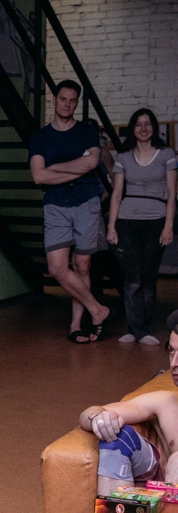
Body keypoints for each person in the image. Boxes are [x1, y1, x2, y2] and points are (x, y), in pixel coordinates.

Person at [29, 80, 114, 343]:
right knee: (57, 268)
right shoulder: (41, 137)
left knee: (82, 265)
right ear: (55, 100)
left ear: (77, 103)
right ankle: (98, 310)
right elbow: (38, 176)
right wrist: (77, 168)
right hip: (55, 204)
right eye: (63, 99)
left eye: (72, 100)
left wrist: (55, 169)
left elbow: (92, 163)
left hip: (86, 201)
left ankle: (76, 325)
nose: (67, 104)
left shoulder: (87, 132)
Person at [80, 310, 178, 499]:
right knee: (117, 439)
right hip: (168, 500)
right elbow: (90, 413)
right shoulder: (164, 402)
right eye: (172, 351)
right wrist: (98, 419)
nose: (174, 363)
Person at [107, 108, 176, 345]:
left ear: (154, 127)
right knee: (133, 278)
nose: (143, 128)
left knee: (148, 277)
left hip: (156, 221)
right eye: (138, 124)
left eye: (147, 124)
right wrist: (111, 226)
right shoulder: (123, 157)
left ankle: (142, 329)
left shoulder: (167, 154)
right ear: (133, 129)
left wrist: (168, 226)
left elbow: (172, 193)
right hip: (126, 221)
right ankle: (135, 328)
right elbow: (116, 194)